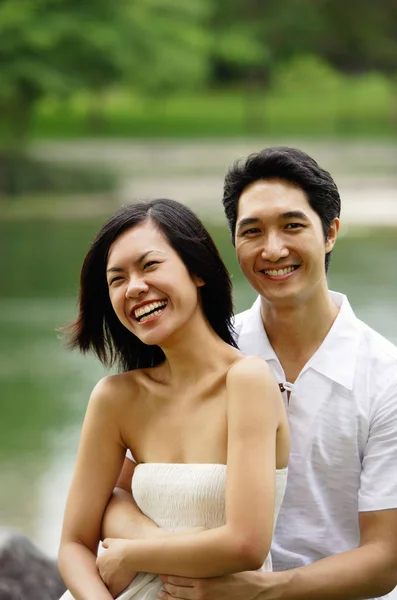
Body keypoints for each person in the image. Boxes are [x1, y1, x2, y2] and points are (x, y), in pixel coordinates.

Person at [102, 148, 397, 600]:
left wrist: (261, 589)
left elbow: (385, 558)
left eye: (293, 226)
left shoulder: (386, 376)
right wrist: (156, 548)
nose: (273, 248)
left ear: (331, 232)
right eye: (252, 231)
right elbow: (116, 492)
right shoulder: (208, 349)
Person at [57, 198, 290, 600]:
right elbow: (74, 544)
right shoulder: (116, 398)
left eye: (149, 266)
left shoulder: (247, 380)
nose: (134, 287)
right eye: (116, 279)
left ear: (197, 270)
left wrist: (132, 552)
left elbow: (247, 545)